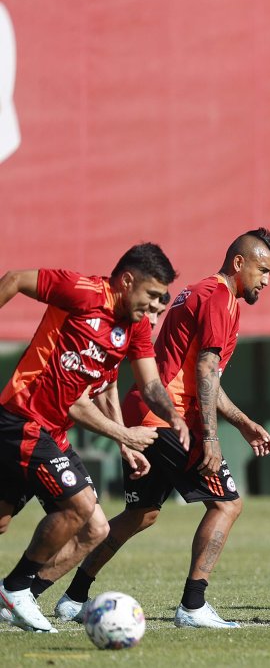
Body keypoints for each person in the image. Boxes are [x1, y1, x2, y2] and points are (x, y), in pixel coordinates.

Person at [60, 228, 270, 629]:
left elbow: (207, 379)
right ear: (239, 263)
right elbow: (204, 371)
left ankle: (69, 596)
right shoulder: (218, 297)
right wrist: (212, 438)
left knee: (140, 514)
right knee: (227, 503)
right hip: (167, 420)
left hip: (146, 414)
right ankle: (193, 606)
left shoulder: (207, 294)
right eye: (262, 270)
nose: (266, 280)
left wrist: (244, 423)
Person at [0, 244, 184, 632]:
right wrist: (125, 435)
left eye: (159, 302)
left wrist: (171, 417)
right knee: (79, 506)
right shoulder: (82, 291)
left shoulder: (132, 330)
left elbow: (146, 386)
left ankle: (21, 596)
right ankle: (14, 589)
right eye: (151, 296)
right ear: (127, 280)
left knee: (95, 528)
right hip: (23, 418)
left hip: (52, 431)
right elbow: (15, 279)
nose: (154, 309)